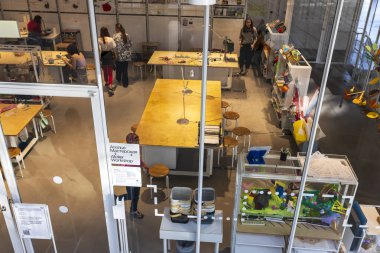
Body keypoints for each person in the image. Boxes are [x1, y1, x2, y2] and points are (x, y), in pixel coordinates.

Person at [116, 132, 148, 219]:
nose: (138, 143)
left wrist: (143, 164)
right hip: (129, 177)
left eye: (138, 141)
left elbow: (138, 159)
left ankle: (133, 210)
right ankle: (117, 199)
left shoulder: (138, 148)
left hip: (136, 175)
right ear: (129, 143)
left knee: (136, 195)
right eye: (135, 142)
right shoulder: (125, 152)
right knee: (131, 195)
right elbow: (122, 165)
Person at [113, 23, 133, 88]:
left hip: (118, 56)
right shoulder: (127, 35)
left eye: (115, 28)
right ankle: (125, 83)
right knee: (125, 70)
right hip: (126, 56)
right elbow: (130, 45)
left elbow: (114, 47)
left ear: (117, 28)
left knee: (118, 69)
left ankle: (118, 79)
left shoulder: (115, 36)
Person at [98, 27, 116, 96]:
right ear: (107, 31)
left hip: (103, 56)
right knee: (110, 72)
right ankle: (110, 86)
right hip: (109, 55)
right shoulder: (110, 39)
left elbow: (99, 50)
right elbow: (114, 47)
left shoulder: (99, 39)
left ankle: (107, 82)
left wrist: (99, 58)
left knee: (105, 71)